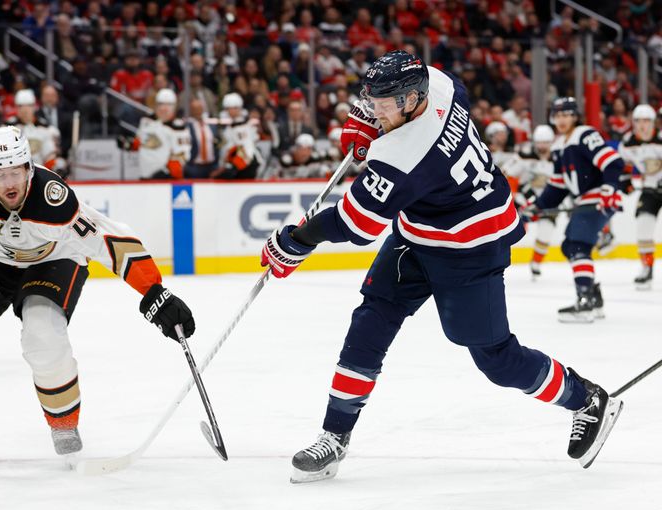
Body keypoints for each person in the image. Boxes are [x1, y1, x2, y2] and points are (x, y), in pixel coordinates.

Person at [259, 51, 623, 483]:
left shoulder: (406, 156)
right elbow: (445, 96)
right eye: (372, 100)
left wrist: (295, 242)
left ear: (414, 99)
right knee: (371, 319)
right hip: (420, 232)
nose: (376, 110)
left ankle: (586, 399)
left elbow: (354, 224)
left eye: (385, 104)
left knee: (495, 358)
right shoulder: (439, 84)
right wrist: (374, 123)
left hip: (474, 246)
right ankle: (334, 436)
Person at [0, 126, 195, 462]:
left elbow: (110, 240)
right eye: (0, 175)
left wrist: (153, 291)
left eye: (15, 173)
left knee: (43, 335)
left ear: (29, 168)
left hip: (56, 261)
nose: (9, 184)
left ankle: (64, 425)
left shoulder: (54, 199)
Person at [524, 97, 625, 323]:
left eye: (566, 114)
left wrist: (609, 186)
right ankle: (593, 297)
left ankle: (586, 300)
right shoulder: (559, 146)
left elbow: (613, 162)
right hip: (585, 200)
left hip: (599, 197)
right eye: (558, 115)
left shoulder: (585, 134)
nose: (561, 119)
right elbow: (558, 187)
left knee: (577, 245)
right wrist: (537, 207)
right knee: (570, 246)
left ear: (575, 116)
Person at [501, 124, 558, 278]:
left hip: (547, 200)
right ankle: (497, 259)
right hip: (524, 198)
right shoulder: (524, 155)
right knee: (511, 231)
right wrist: (516, 196)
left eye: (546, 142)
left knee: (546, 230)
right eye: (540, 142)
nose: (542, 146)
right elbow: (507, 174)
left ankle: (536, 263)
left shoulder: (559, 157)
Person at [618, 103, 662, 290]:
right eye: (639, 121)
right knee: (643, 229)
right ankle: (647, 268)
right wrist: (625, 183)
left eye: (647, 121)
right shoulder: (628, 143)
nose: (643, 125)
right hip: (650, 189)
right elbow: (625, 167)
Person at [132, 88, 192, 180]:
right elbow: (139, 143)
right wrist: (128, 144)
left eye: (169, 104)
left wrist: (166, 171)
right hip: (144, 176)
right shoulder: (146, 122)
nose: (164, 108)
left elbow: (182, 155)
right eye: (161, 104)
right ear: (155, 105)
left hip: (164, 179)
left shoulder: (178, 127)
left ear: (175, 106)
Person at [7, 89, 66, 177]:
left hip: (39, 174)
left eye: (28, 106)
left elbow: (50, 157)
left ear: (35, 107)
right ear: (16, 107)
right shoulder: (6, 128)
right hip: (13, 176)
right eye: (20, 106)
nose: (24, 110)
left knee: (60, 163)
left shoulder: (46, 129)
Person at [210, 93, 261, 179]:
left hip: (242, 166)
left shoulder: (242, 126)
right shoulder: (227, 127)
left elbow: (246, 150)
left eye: (235, 108)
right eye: (229, 108)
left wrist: (225, 169)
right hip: (231, 163)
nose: (231, 111)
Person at [263, 133, 331, 179]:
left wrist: (329, 174)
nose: (305, 153)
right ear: (296, 148)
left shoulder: (315, 160)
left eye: (308, 149)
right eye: (301, 148)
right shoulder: (285, 160)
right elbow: (271, 177)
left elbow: (325, 171)